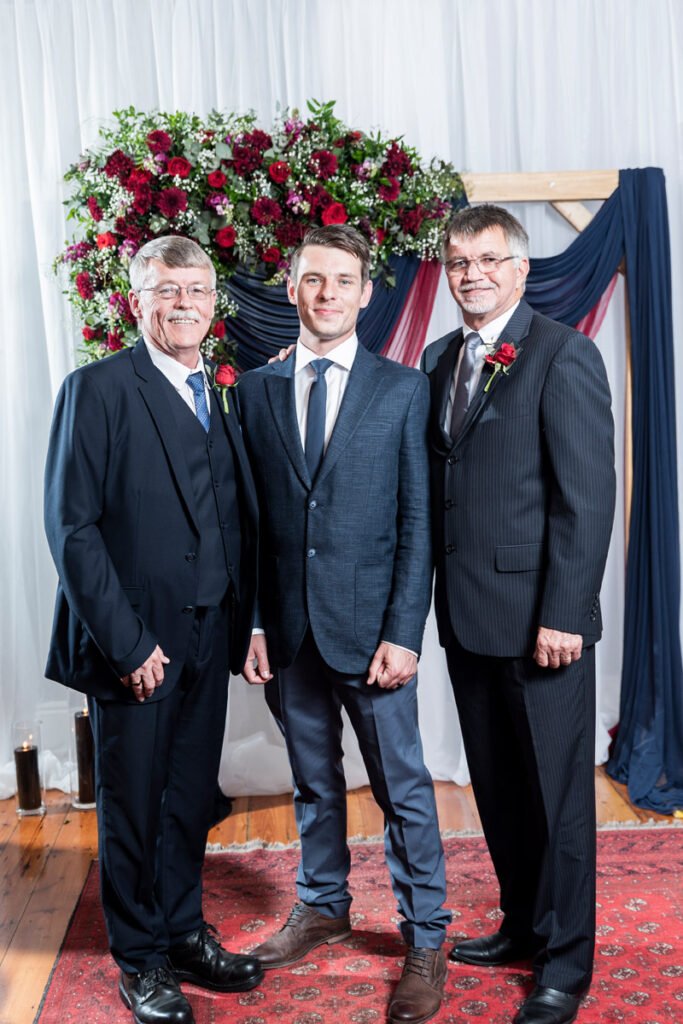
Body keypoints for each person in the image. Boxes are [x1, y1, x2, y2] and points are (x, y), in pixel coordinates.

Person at [44, 236, 263, 1024]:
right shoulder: (97, 389)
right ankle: (140, 959)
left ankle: (182, 931)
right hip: (137, 643)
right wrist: (128, 642)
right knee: (135, 805)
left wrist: (249, 621)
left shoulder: (220, 389)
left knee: (188, 796)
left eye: (196, 289)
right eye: (167, 290)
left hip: (210, 631)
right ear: (137, 301)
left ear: (213, 301)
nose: (184, 304)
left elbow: (236, 517)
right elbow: (72, 528)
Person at [239, 224, 451, 1024]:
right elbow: (249, 522)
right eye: (312, 279)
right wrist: (255, 623)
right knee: (312, 781)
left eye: (342, 281)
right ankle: (322, 905)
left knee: (403, 788)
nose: (326, 293)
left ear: (366, 294)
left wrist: (404, 631)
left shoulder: (402, 389)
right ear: (291, 288)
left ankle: (425, 936)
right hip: (288, 630)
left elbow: (417, 521)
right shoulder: (253, 391)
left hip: (372, 634)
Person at [420, 205, 616, 1024]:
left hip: (543, 624)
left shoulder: (563, 353)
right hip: (467, 616)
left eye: (489, 259)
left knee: (557, 801)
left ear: (521, 269)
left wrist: (565, 613)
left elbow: (587, 497)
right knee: (499, 789)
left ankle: (565, 963)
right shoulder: (437, 358)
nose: (472, 274)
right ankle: (523, 924)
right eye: (459, 262)